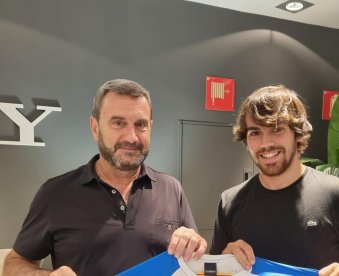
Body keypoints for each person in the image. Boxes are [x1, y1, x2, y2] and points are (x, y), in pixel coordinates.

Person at [4, 79, 207, 276]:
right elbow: (14, 265)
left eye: (141, 125)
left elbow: (194, 259)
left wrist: (197, 246)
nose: (131, 137)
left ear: (150, 127)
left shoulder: (171, 188)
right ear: (95, 127)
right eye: (118, 123)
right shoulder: (55, 194)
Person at [209, 85, 339, 275]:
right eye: (255, 132)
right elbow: (211, 269)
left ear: (297, 134)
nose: (265, 143)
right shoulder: (230, 201)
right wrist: (225, 260)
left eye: (276, 129)